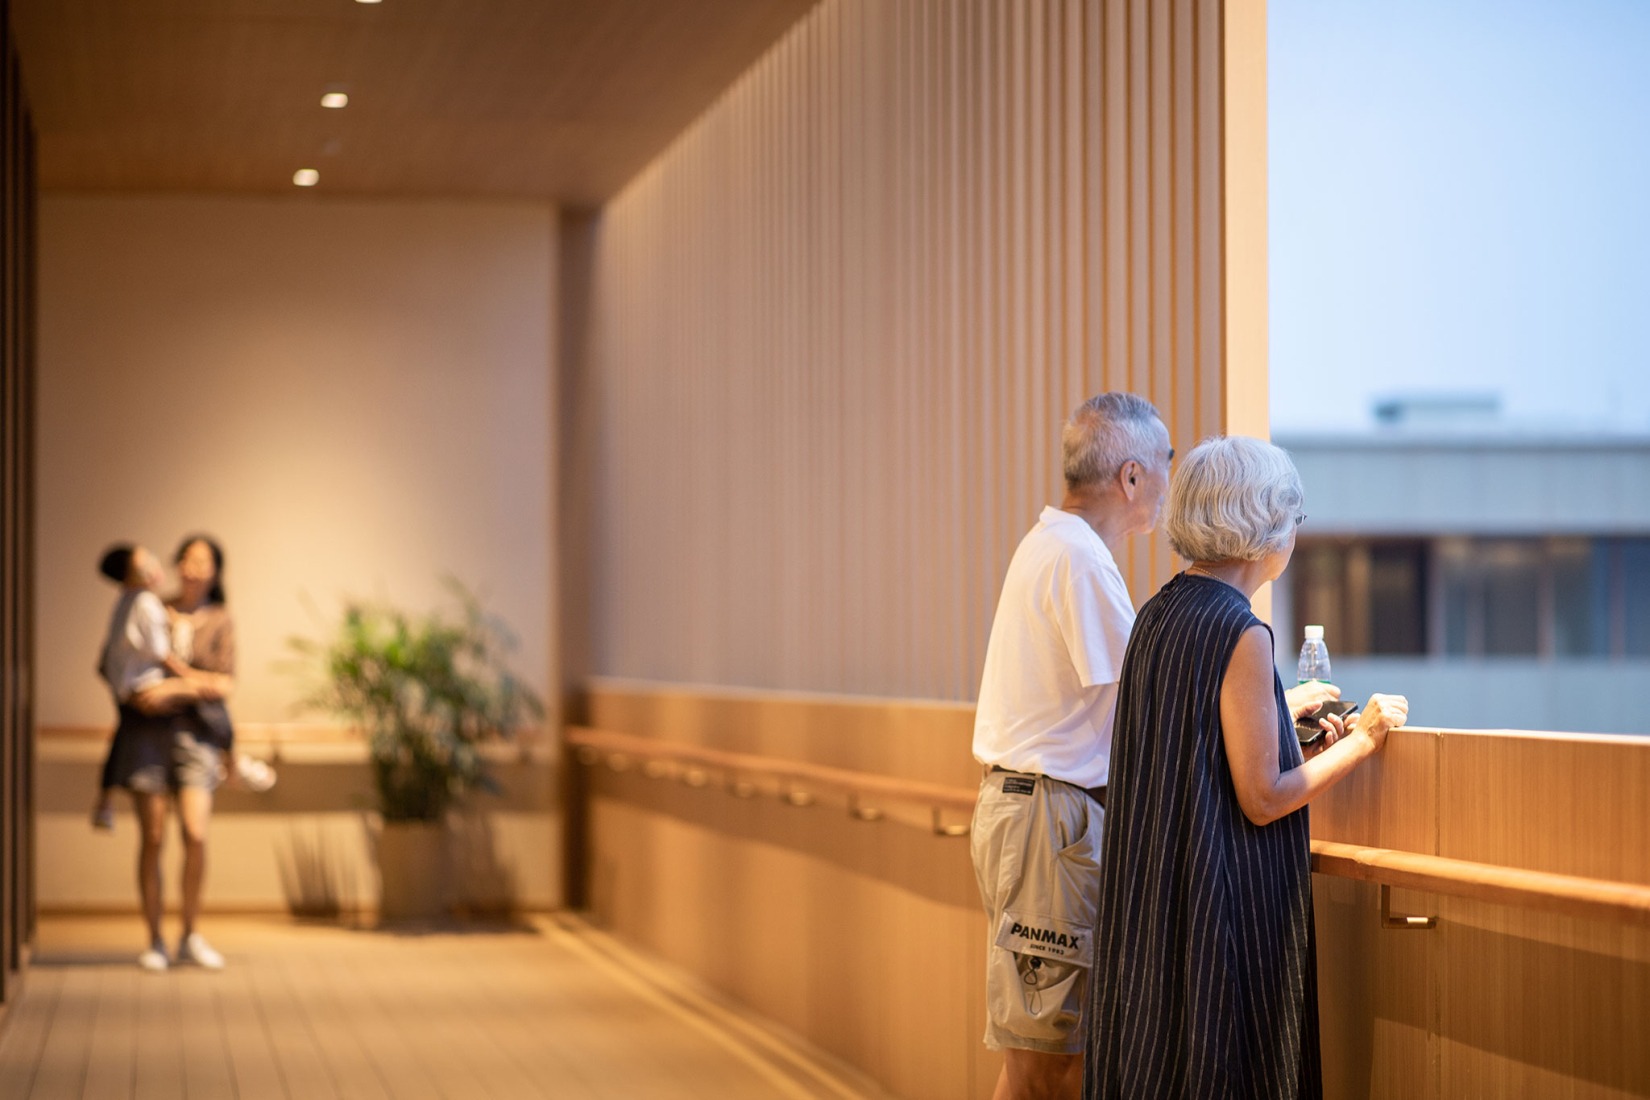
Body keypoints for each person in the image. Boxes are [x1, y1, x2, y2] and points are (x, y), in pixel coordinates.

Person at [1081, 436, 1408, 1100]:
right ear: (1267, 526)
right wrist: (1364, 739)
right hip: (1220, 903)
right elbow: (1262, 797)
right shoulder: (1241, 630)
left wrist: (1288, 731)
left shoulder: (1160, 614)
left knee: (1159, 1062)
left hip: (1155, 898)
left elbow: (1193, 744)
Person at [969, 393, 1174, 1100]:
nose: (1169, 483)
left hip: (1036, 820)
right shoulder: (1079, 560)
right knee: (1055, 1063)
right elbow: (1150, 693)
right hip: (1048, 827)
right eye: (1166, 464)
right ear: (1131, 477)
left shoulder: (1053, 544)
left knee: (1040, 1056)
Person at [99, 534, 248, 971]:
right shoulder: (149, 607)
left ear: (217, 571)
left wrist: (173, 688)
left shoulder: (220, 620)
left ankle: (190, 932)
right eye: (188, 558)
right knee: (154, 836)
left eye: (204, 561)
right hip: (146, 734)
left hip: (198, 736)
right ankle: (154, 938)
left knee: (196, 834)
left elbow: (225, 685)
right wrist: (146, 692)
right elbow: (113, 661)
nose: (194, 568)